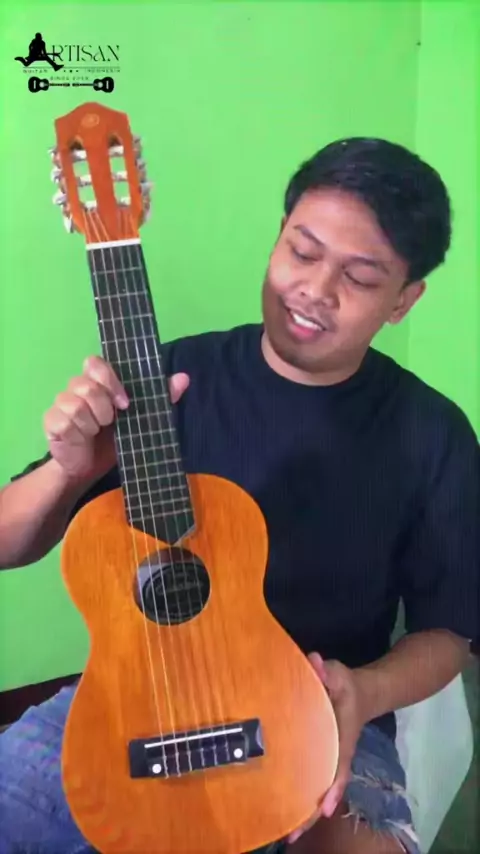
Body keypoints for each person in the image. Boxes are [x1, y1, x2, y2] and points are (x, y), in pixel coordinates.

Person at [0, 137, 478, 854]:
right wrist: (67, 472)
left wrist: (365, 693)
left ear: (404, 300)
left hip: (318, 707)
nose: (315, 289)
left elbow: (450, 632)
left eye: (360, 276)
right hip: (129, 698)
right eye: (302, 251)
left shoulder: (432, 432)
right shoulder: (165, 379)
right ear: (279, 237)